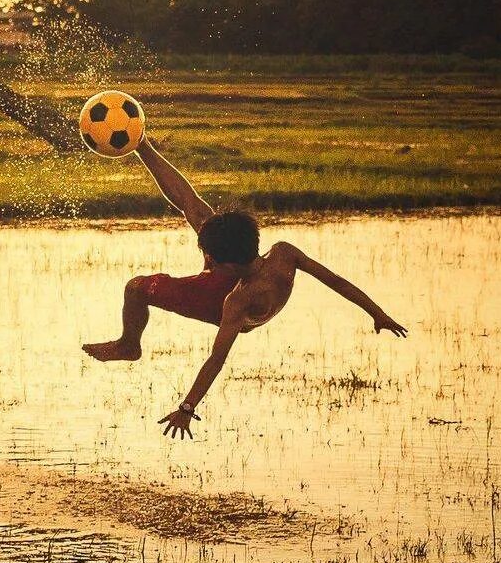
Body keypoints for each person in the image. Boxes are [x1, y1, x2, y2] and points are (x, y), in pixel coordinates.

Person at [83, 134, 407, 437]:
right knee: (194, 208)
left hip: (221, 303)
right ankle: (143, 147)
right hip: (243, 274)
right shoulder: (283, 254)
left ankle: (129, 346)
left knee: (138, 287)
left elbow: (216, 359)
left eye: (207, 254)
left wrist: (186, 407)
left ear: (217, 264)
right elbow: (335, 281)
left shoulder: (235, 301)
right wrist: (377, 313)